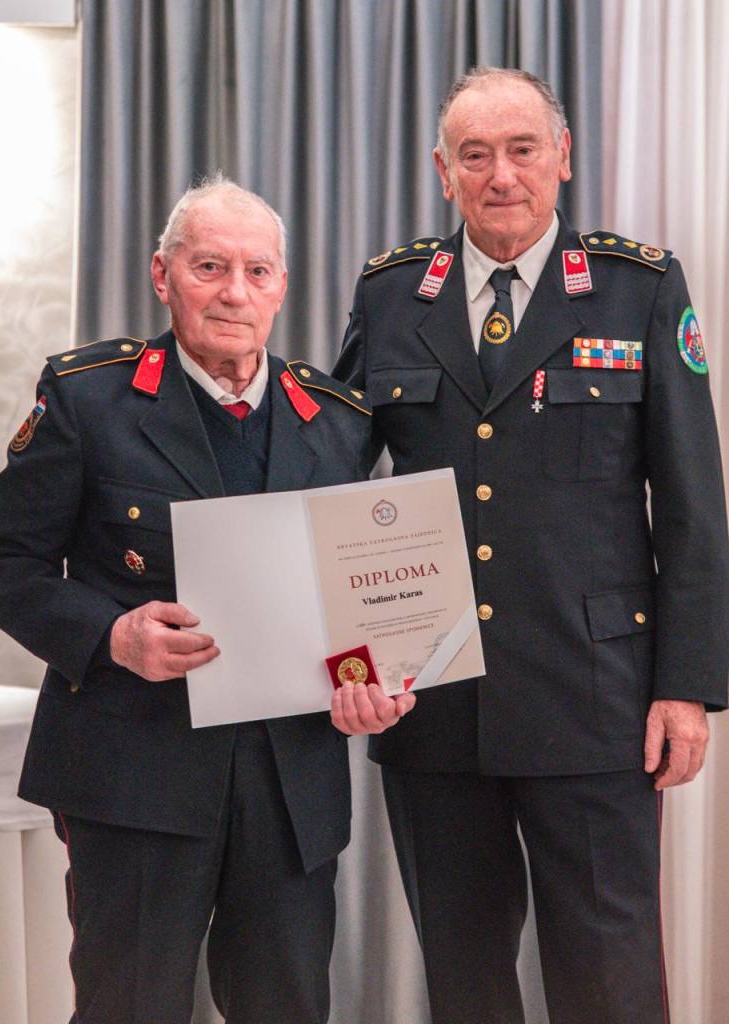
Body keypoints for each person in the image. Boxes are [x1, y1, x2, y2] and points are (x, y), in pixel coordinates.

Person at [332, 67, 728, 1024]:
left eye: (522, 150)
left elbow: (692, 506)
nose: (501, 175)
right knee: (463, 978)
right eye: (475, 155)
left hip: (596, 700)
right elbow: (334, 486)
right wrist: (349, 660)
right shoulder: (392, 294)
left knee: (610, 978)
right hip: (433, 702)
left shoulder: (637, 288)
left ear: (563, 157)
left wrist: (687, 686)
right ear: (444, 171)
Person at [0, 175, 414, 1024]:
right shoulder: (88, 397)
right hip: (132, 773)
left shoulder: (339, 422)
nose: (234, 293)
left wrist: (375, 681)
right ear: (163, 275)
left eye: (258, 271)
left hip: (290, 788)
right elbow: (5, 561)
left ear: (282, 286)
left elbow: (353, 596)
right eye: (209, 266)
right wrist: (112, 634)